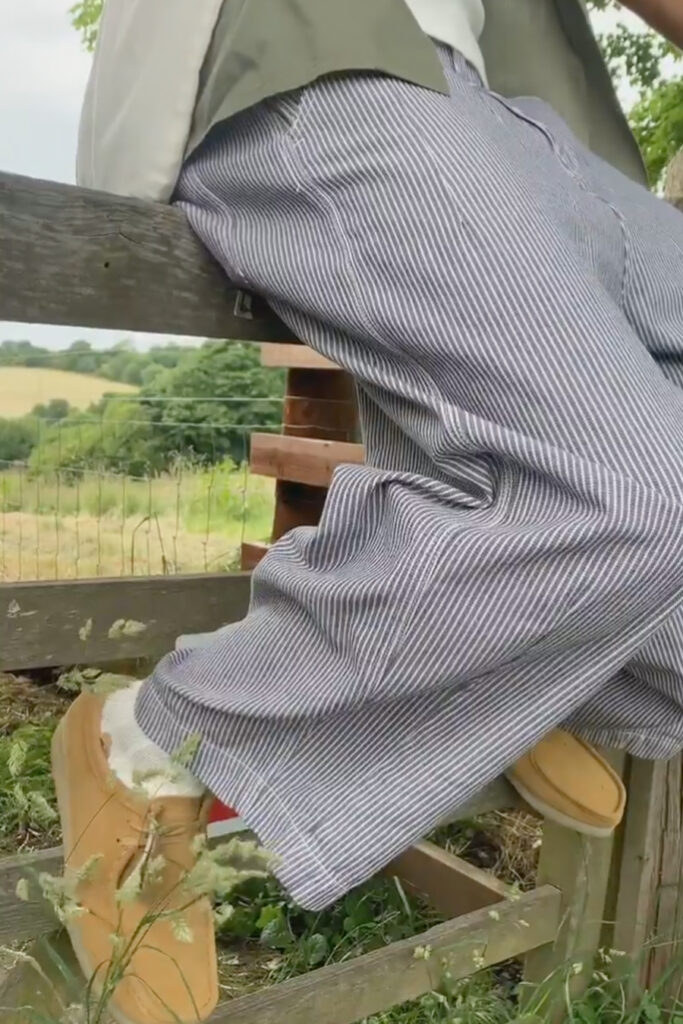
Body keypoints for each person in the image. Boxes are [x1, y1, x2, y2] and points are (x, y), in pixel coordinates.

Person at [56, 1, 683, 1021]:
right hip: (330, 41)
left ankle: (520, 665)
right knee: (630, 492)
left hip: (519, 103)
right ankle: (154, 742)